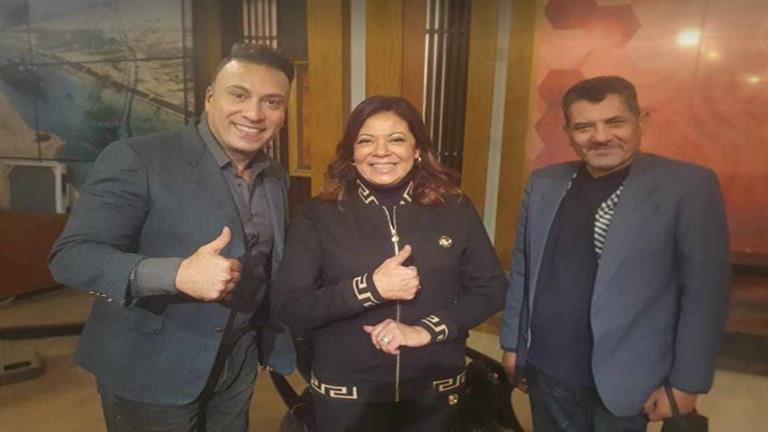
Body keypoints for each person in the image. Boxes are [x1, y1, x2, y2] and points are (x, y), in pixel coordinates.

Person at [48, 43, 295, 432]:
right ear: (210, 98)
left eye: (272, 102)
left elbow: (268, 264)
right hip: (151, 367)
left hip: (237, 362)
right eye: (239, 95)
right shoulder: (138, 158)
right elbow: (71, 257)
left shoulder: (275, 176)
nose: (254, 113)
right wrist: (176, 274)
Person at [500, 75, 730, 431]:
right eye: (584, 127)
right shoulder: (544, 183)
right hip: (547, 369)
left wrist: (687, 383)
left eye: (615, 122)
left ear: (641, 121)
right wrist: (513, 344)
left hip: (630, 377)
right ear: (568, 133)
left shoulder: (687, 186)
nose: (601, 136)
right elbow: (523, 269)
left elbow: (705, 294)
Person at [272, 95, 506, 432]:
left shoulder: (454, 208)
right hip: (348, 395)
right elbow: (289, 305)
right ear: (351, 153)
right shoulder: (317, 215)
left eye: (396, 139)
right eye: (366, 140)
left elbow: (491, 289)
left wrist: (425, 330)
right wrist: (370, 289)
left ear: (417, 149)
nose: (381, 151)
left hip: (435, 388)